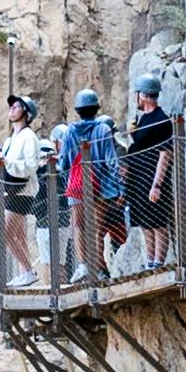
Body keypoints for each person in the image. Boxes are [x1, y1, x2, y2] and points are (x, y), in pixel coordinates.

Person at [55, 85, 120, 281]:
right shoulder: (103, 129)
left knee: (79, 226)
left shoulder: (70, 132)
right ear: (96, 108)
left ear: (78, 110)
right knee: (97, 228)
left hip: (77, 186)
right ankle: (98, 269)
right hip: (100, 186)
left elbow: (63, 162)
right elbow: (111, 160)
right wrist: (119, 185)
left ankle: (83, 265)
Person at [120, 74, 182, 267]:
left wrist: (157, 185)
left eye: (137, 94)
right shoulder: (144, 119)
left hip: (151, 178)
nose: (136, 98)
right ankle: (150, 261)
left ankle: (158, 262)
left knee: (157, 222)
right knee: (145, 224)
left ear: (144, 96)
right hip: (139, 179)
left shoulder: (160, 120)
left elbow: (165, 153)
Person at [0, 93, 50, 285]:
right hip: (12, 189)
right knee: (17, 234)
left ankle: (28, 271)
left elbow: (30, 165)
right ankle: (25, 272)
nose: (11, 110)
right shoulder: (11, 139)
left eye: (16, 107)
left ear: (26, 113)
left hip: (23, 189)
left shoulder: (29, 137)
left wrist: (6, 161)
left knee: (6, 233)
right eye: (11, 107)